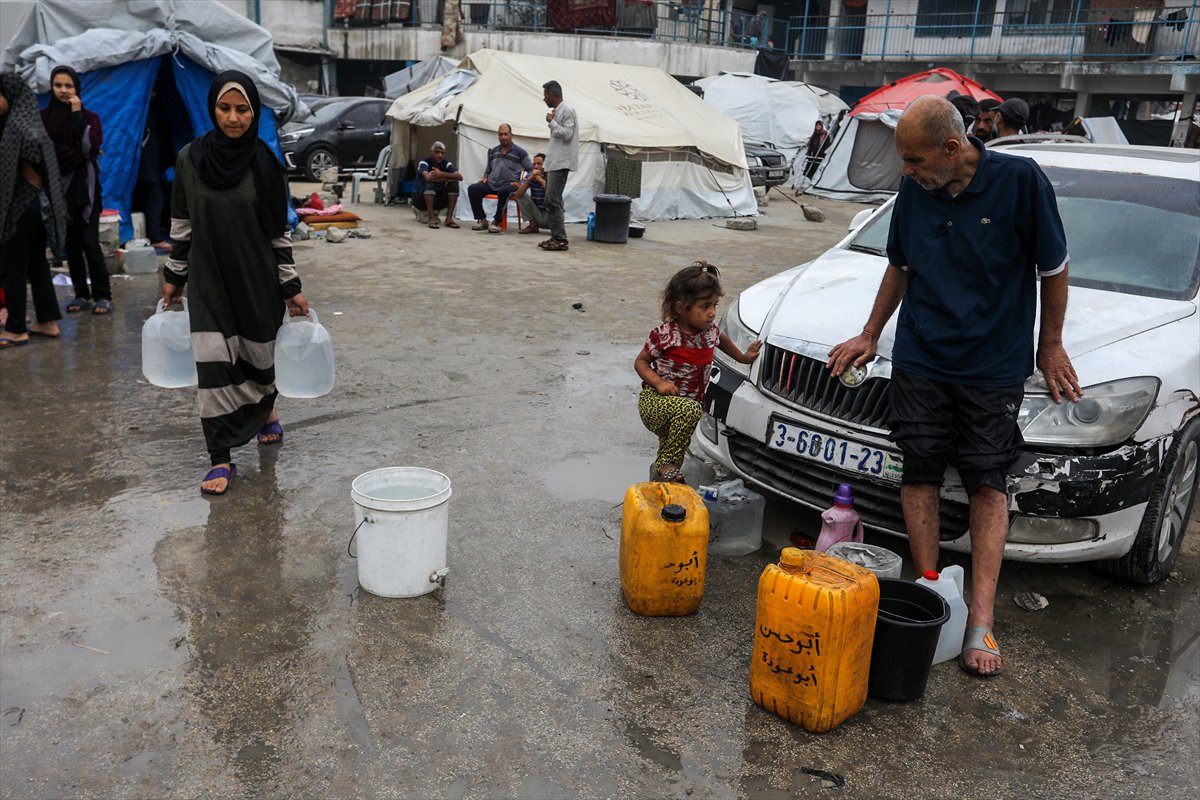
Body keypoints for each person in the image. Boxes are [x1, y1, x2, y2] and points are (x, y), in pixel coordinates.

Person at [825, 95, 1081, 678]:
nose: (906, 174)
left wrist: (1051, 343)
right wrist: (871, 332)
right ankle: (932, 588)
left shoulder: (1019, 182)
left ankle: (981, 620)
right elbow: (901, 265)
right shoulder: (918, 190)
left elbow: (1054, 268)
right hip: (921, 354)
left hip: (992, 365)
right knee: (919, 468)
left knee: (987, 480)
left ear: (951, 148)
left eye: (914, 161)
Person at [161, 70, 310, 496]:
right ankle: (220, 455)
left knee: (258, 363)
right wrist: (175, 275)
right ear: (212, 109)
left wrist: (290, 285)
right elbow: (182, 224)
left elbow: (278, 234)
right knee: (213, 366)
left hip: (256, 279)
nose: (232, 117)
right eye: (224, 108)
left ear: (254, 112)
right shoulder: (189, 159)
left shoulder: (265, 163)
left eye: (242, 109)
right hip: (210, 280)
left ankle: (266, 411)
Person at [634, 262, 762, 483]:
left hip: (684, 412)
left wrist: (744, 357)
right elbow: (641, 363)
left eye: (715, 305)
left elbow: (723, 342)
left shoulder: (710, 332)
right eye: (704, 306)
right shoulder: (665, 335)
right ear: (680, 307)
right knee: (685, 423)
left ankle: (660, 485)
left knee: (673, 447)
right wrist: (659, 383)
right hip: (655, 402)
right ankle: (667, 466)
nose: (712, 313)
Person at [0, 73, 67, 348]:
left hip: (21, 209)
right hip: (37, 209)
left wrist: (24, 165)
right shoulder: (24, 120)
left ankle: (16, 329)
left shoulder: (19, 125)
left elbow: (31, 150)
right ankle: (48, 321)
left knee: (11, 268)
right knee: (36, 265)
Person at [41, 66, 112, 316]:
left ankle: (103, 295)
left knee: (90, 243)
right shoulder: (43, 118)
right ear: (51, 87)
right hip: (58, 191)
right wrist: (84, 154)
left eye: (68, 86)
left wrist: (76, 114)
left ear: (77, 89)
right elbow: (45, 151)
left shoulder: (89, 117)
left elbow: (89, 144)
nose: (63, 90)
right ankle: (81, 294)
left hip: (87, 191)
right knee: (70, 246)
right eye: (58, 85)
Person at [466, 123, 532, 233]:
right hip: (492, 184)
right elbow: (488, 169)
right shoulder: (493, 151)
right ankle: (483, 220)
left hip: (509, 185)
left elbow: (531, 170)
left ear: (511, 135)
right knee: (473, 189)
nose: (503, 137)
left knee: (504, 191)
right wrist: (485, 177)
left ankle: (496, 222)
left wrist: (521, 183)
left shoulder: (520, 152)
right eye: (500, 134)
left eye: (506, 134)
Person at [539, 80, 578, 252]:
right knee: (553, 200)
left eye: (546, 95)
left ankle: (560, 239)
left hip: (561, 163)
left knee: (552, 200)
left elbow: (568, 135)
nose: (544, 99)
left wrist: (552, 122)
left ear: (553, 95)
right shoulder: (559, 111)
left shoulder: (567, 110)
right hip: (554, 162)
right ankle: (556, 236)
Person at [133, 89, 173, 252]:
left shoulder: (141, 111)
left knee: (149, 199)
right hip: (148, 166)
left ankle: (149, 234)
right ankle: (155, 237)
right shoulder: (147, 113)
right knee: (154, 200)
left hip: (150, 165)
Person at [415, 141, 462, 229]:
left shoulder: (446, 163)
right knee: (430, 183)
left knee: (455, 184)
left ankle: (449, 219)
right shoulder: (424, 162)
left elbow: (459, 176)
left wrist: (441, 174)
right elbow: (428, 177)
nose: (440, 155)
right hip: (421, 200)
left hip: (438, 199)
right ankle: (431, 218)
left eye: (442, 153)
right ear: (431, 152)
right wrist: (448, 177)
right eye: (437, 152)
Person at [513, 152, 547, 235]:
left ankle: (556, 230)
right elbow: (517, 196)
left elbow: (552, 192)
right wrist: (528, 180)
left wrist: (540, 180)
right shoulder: (530, 175)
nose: (536, 166)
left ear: (545, 165)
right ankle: (533, 225)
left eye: (539, 164)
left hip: (550, 216)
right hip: (537, 214)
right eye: (534, 164)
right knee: (521, 194)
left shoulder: (551, 175)